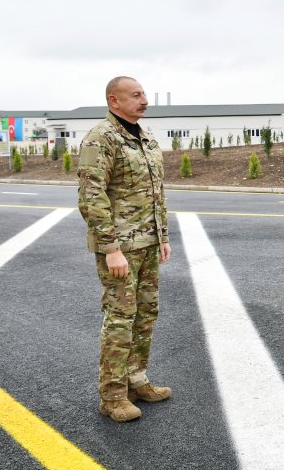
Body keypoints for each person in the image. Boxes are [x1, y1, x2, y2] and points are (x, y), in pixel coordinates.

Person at [77, 76, 172, 422]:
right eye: (136, 95)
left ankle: (136, 381)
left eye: (144, 94)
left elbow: (157, 191)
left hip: (147, 243)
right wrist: (110, 248)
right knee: (120, 319)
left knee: (146, 316)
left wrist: (163, 236)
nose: (144, 100)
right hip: (120, 248)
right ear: (113, 101)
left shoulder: (145, 138)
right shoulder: (100, 138)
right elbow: (92, 196)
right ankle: (113, 396)